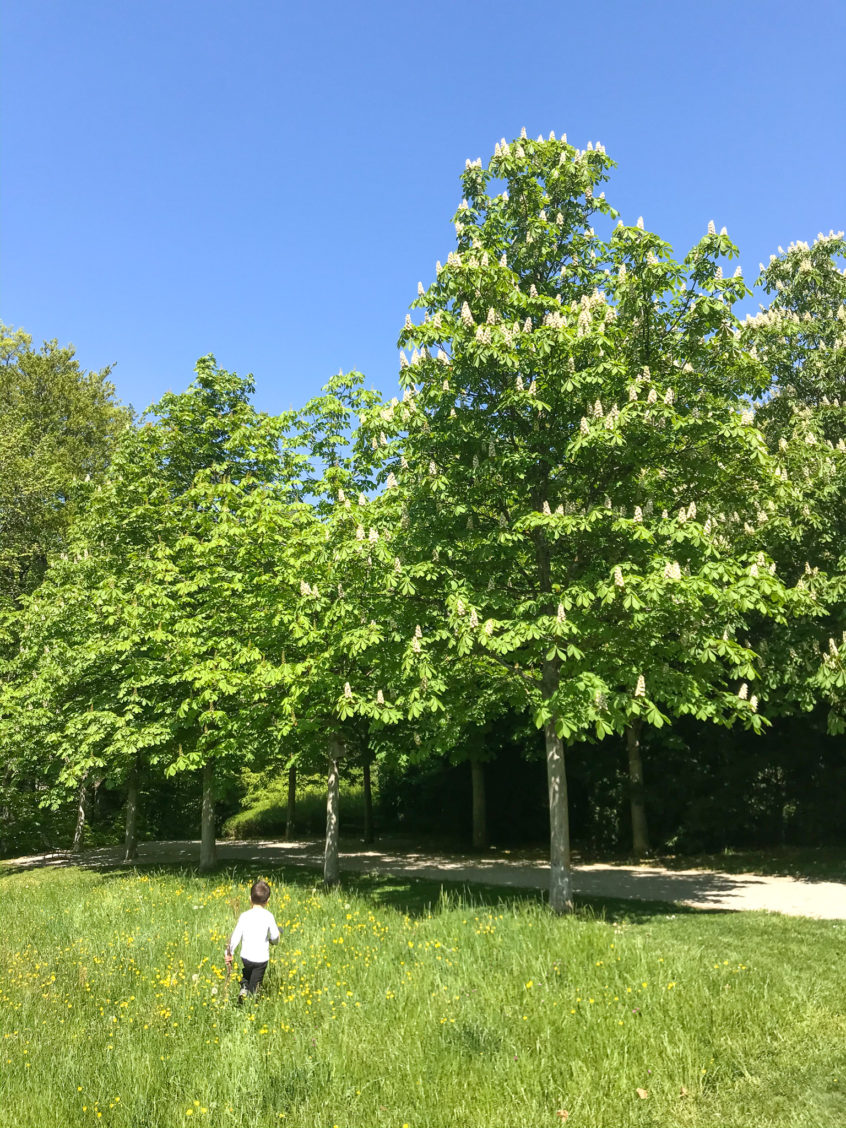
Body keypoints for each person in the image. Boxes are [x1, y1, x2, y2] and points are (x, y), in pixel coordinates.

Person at [225, 879, 280, 1000]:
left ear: (250, 898)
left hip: (246, 956)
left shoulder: (244, 916)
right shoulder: (268, 916)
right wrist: (274, 941)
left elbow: (236, 935)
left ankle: (244, 986)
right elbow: (275, 936)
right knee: (255, 984)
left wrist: (229, 953)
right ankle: (249, 1001)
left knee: (248, 972)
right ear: (267, 901)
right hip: (261, 959)